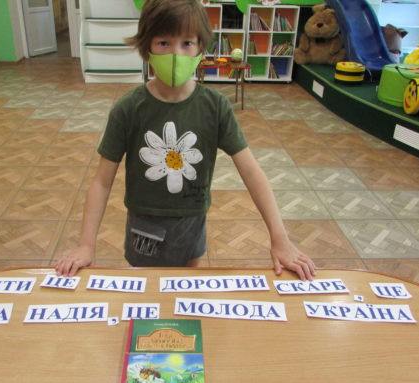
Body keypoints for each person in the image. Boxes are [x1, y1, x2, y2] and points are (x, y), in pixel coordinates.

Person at [55, 0, 316, 281]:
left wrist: (280, 238)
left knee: (189, 284)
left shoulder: (215, 107)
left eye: (187, 43)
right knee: (147, 288)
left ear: (200, 47)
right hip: (145, 223)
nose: (176, 53)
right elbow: (101, 181)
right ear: (146, 46)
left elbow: (252, 171)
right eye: (164, 42)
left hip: (193, 219)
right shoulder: (129, 109)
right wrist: (86, 244)